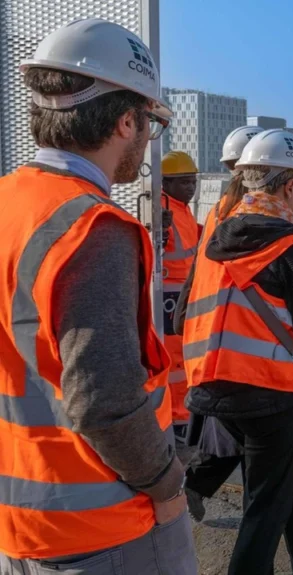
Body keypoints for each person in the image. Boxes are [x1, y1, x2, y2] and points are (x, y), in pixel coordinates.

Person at [0, 18, 197, 573]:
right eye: (150, 123)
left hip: (20, 521)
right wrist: (167, 485)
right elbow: (104, 400)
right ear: (126, 121)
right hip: (103, 529)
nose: (147, 139)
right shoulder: (91, 228)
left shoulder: (10, 202)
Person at [180, 129, 293, 575]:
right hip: (271, 393)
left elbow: (183, 318)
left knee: (282, 477)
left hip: (211, 388)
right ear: (289, 185)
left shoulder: (214, 239)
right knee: (266, 506)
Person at [174, 125, 263, 523]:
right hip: (244, 344)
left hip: (210, 340)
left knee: (230, 433)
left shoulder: (217, 210)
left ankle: (196, 487)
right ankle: (274, 533)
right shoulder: (254, 214)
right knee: (262, 443)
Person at [160, 150, 200, 435]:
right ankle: (177, 418)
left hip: (183, 293)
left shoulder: (182, 209)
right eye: (184, 182)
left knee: (185, 355)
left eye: (192, 181)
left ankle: (184, 413)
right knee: (175, 359)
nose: (190, 187)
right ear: (166, 183)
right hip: (169, 296)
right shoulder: (162, 210)